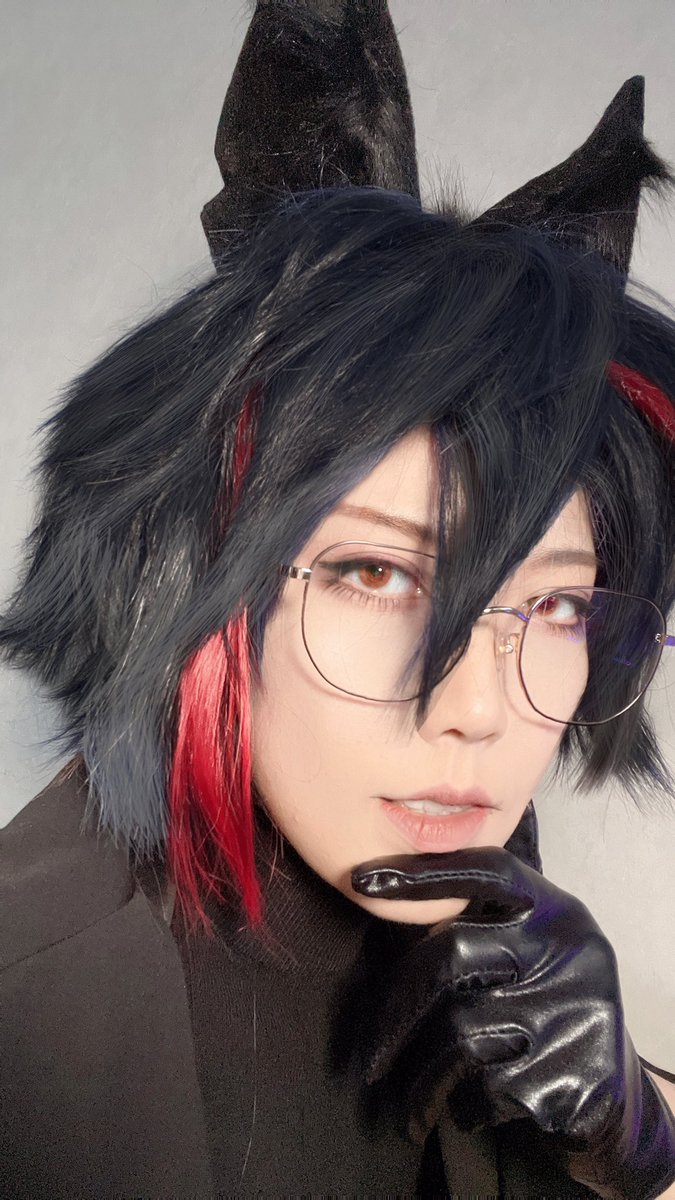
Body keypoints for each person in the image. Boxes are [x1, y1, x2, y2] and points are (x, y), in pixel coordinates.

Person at [1, 2, 675, 1196]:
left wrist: (642, 1137)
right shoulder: (38, 1015)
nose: (477, 709)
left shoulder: (485, 909)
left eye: (559, 606)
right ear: (192, 573)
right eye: (377, 573)